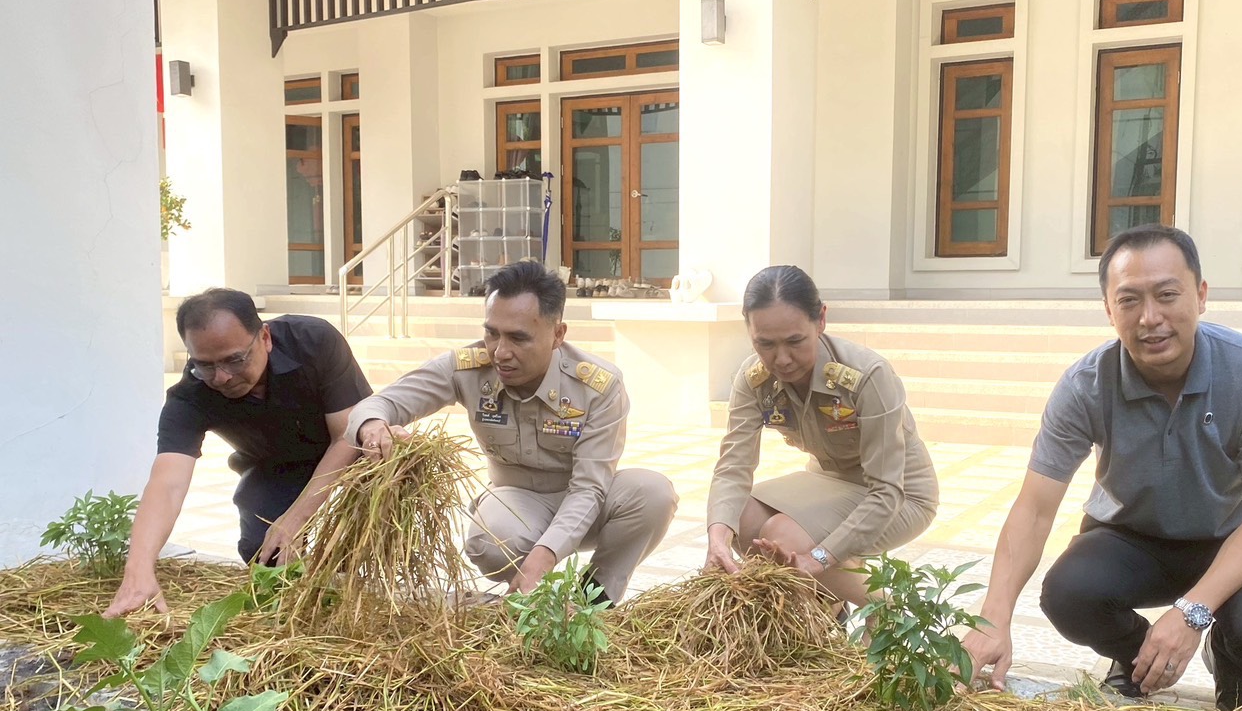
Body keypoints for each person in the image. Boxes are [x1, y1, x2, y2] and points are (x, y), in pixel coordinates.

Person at [961, 225, 1242, 711]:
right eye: (1129, 300)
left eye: (1168, 295)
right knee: (1069, 593)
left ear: (1201, 296)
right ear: (1109, 310)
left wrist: (1191, 614)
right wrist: (992, 619)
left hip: (1231, 539)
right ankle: (1138, 654)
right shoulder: (1085, 385)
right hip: (1132, 540)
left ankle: (1232, 657)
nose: (1151, 318)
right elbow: (1035, 509)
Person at [348, 260, 676, 600]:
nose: (500, 352)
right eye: (492, 333)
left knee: (653, 494)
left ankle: (595, 599)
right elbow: (378, 404)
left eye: (518, 338)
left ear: (558, 335)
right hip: (516, 501)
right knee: (493, 539)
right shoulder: (468, 367)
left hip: (584, 499)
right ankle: (534, 603)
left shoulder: (598, 385)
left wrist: (544, 556)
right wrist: (374, 427)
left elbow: (589, 488)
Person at [105, 289, 373, 616]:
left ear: (265, 337)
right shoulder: (189, 398)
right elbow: (167, 484)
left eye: (235, 359)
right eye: (204, 365)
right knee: (266, 554)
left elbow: (346, 436)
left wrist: (297, 517)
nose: (222, 377)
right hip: (276, 466)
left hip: (354, 451)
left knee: (378, 516)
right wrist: (138, 571)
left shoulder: (313, 341)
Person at [705, 265, 939, 607]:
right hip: (829, 481)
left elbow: (887, 490)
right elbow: (732, 468)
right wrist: (717, 541)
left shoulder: (867, 375)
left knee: (783, 535)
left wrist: (819, 558)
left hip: (900, 496)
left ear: (821, 320)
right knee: (738, 517)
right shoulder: (753, 378)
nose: (781, 360)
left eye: (795, 341)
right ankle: (830, 600)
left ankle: (887, 611)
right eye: (764, 344)